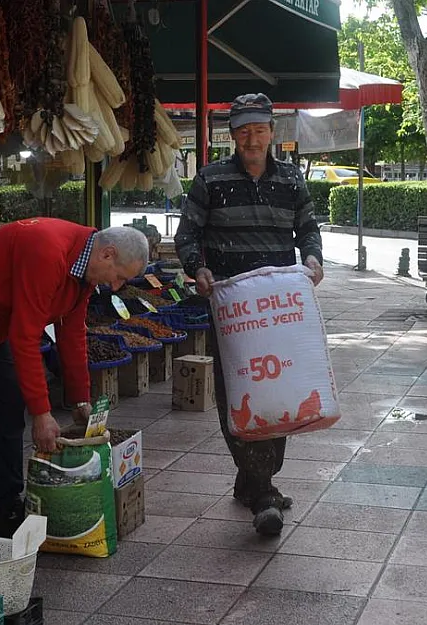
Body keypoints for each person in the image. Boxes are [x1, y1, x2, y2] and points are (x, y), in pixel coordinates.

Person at [0, 218, 149, 537]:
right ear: (107, 254)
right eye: (119, 277)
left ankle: (3, 509)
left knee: (9, 406)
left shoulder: (85, 272)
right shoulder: (47, 250)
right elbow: (25, 335)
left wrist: (79, 398)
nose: (115, 287)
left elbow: (72, 331)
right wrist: (42, 413)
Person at [174, 93, 325, 536]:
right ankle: (262, 492)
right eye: (243, 131)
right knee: (241, 393)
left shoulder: (292, 180)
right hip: (233, 311)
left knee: (279, 391)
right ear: (233, 135)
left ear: (271, 132)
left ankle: (253, 480)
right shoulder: (210, 179)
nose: (251, 138)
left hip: (281, 311)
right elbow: (189, 233)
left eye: (259, 129)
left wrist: (313, 258)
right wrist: (196, 265)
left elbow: (308, 228)